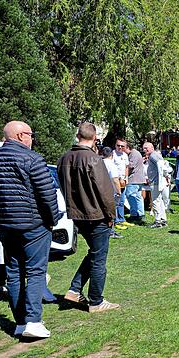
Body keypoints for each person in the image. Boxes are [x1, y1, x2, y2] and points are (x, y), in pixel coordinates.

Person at [0, 121, 62, 338]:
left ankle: (20, 322)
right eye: (30, 135)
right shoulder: (32, 159)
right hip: (34, 225)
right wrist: (53, 219)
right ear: (20, 135)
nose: (32, 139)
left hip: (6, 226)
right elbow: (47, 193)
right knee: (35, 271)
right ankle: (33, 321)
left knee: (13, 272)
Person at [58, 122, 120, 313]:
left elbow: (63, 187)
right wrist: (111, 215)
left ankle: (74, 289)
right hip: (96, 215)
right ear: (94, 138)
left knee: (94, 253)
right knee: (99, 258)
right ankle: (96, 300)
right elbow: (105, 192)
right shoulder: (93, 159)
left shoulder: (64, 159)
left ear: (78, 136)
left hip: (78, 215)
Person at [100, 147, 124, 239]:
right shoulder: (111, 164)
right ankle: (111, 231)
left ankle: (106, 230)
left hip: (101, 190)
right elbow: (115, 179)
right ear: (112, 155)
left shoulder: (100, 163)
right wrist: (118, 192)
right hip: (111, 191)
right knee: (112, 212)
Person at [144, 143, 167, 228]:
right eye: (144, 148)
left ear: (152, 148)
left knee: (156, 202)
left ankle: (158, 222)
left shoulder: (153, 156)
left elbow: (161, 166)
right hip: (157, 182)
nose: (145, 150)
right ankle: (163, 220)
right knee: (160, 201)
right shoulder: (155, 155)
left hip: (156, 182)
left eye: (146, 148)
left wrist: (163, 176)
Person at [124, 141, 146, 223]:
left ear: (128, 148)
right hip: (139, 179)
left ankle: (135, 214)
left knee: (131, 196)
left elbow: (130, 167)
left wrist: (125, 176)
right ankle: (140, 214)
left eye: (124, 148)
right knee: (138, 197)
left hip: (133, 179)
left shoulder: (133, 154)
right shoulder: (136, 153)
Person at [113, 140, 130, 230]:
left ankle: (121, 219)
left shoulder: (125, 155)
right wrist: (119, 179)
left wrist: (126, 178)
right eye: (118, 145)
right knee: (116, 201)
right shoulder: (113, 155)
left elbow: (126, 167)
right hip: (115, 181)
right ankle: (115, 220)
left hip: (123, 181)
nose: (120, 147)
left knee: (122, 201)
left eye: (122, 146)